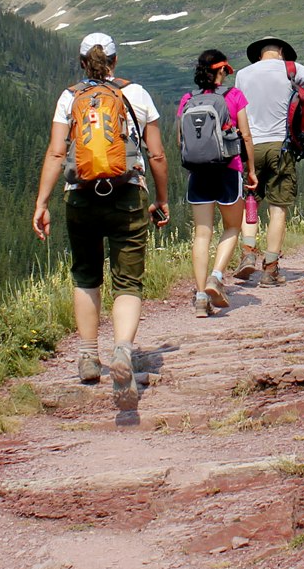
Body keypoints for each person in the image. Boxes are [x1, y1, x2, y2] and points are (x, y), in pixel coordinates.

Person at [30, 32, 170, 395]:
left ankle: (89, 357)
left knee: (86, 276)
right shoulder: (135, 95)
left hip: (80, 197)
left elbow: (57, 154)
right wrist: (163, 198)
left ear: (82, 62)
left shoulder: (69, 98)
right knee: (127, 281)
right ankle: (122, 350)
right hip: (127, 195)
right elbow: (156, 154)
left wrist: (42, 203)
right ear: (115, 61)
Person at [235, 37, 304, 285]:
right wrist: (301, 94)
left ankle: (247, 253)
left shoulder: (243, 75)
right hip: (281, 146)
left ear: (259, 55)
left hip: (251, 146)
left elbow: (238, 108)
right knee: (278, 208)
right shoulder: (291, 70)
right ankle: (271, 268)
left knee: (251, 201)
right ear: (280, 52)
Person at [176, 49, 258, 317]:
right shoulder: (234, 96)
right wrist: (251, 170)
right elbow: (245, 136)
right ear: (221, 71)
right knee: (233, 226)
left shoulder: (188, 99)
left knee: (202, 233)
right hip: (227, 170)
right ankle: (216, 276)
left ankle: (200, 298)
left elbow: (181, 140)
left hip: (198, 173)